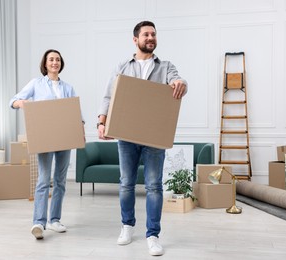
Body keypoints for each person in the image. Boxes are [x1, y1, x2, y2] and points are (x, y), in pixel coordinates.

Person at [97, 21, 187, 256]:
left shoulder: (166, 66)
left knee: (154, 186)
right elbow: (108, 95)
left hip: (154, 136)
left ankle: (153, 235)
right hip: (126, 135)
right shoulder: (122, 66)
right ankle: (127, 226)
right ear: (135, 39)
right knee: (126, 183)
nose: (151, 37)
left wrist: (180, 83)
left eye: (153, 34)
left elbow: (179, 81)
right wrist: (101, 122)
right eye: (146, 34)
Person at [9, 49, 84, 240]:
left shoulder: (68, 87)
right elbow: (13, 101)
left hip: (65, 138)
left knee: (60, 180)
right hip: (45, 138)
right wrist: (22, 103)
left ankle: (55, 220)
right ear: (45, 63)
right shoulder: (36, 84)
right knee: (44, 180)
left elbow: (76, 112)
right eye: (51, 59)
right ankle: (39, 223)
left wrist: (80, 130)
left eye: (58, 59)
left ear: (61, 64)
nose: (54, 62)